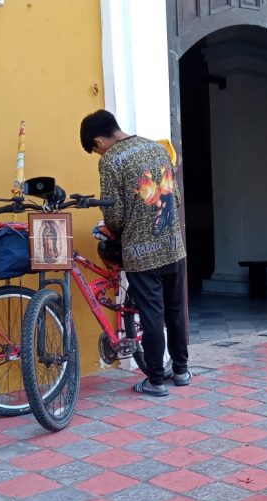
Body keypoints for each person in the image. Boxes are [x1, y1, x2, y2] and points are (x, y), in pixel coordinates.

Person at [80, 110, 190, 397]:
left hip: (141, 254)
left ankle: (155, 380)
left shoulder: (110, 160)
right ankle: (181, 371)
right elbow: (175, 197)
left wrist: (112, 230)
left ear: (98, 140)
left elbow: (114, 212)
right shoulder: (157, 147)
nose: (99, 153)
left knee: (152, 315)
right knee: (175, 310)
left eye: (96, 149)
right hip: (173, 246)